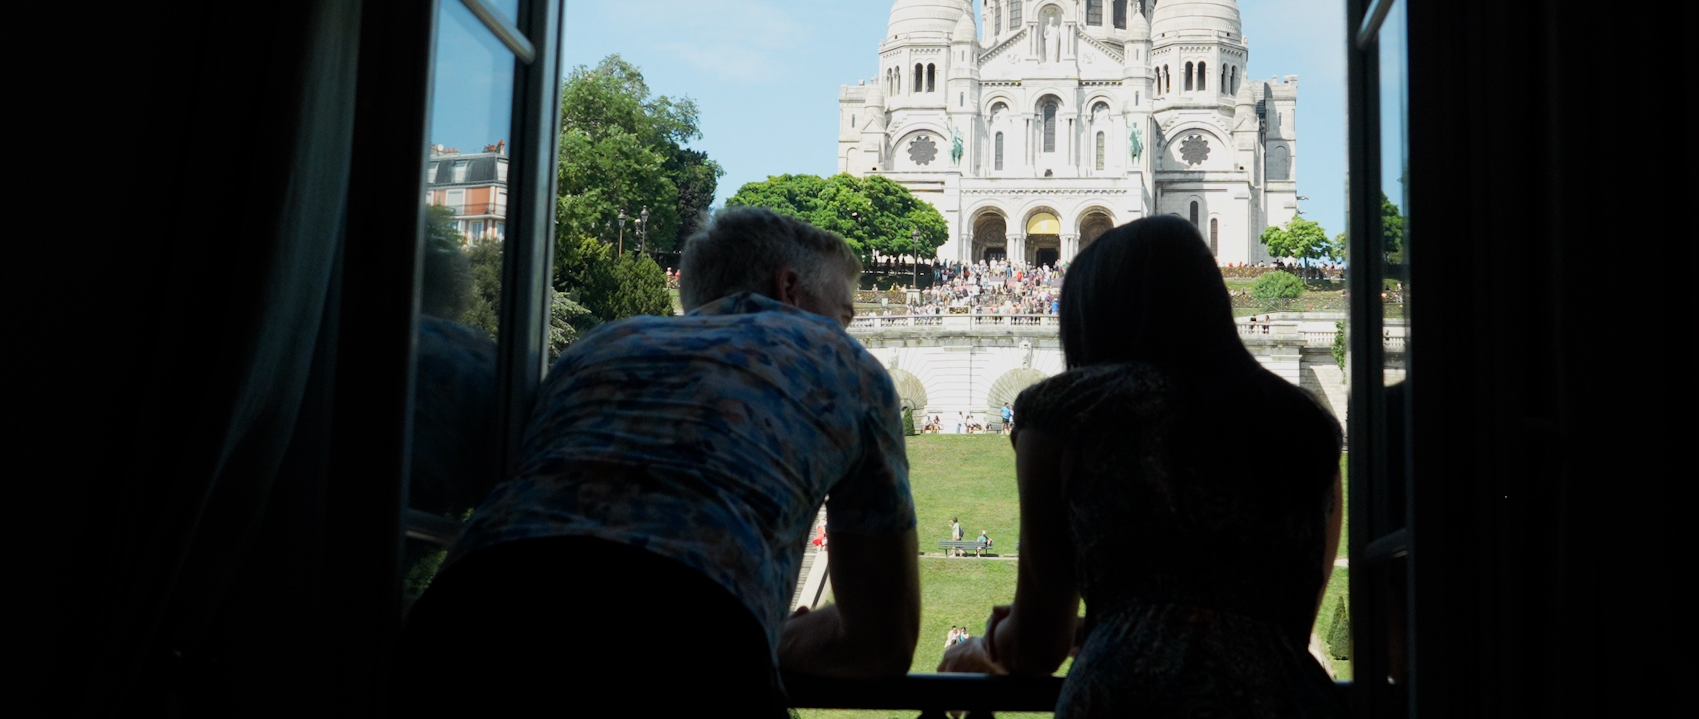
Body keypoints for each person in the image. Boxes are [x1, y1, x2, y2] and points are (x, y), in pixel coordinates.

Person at [398, 207, 922, 715]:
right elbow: (881, 640)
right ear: (789, 289)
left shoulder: (602, 342)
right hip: (686, 632)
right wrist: (774, 636)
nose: (844, 330)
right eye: (844, 314)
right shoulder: (843, 362)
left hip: (465, 612)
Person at [940, 216, 1345, 719]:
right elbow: (1266, 624)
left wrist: (982, 649)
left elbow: (1037, 645)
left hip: (1128, 696)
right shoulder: (1308, 427)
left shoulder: (1062, 411)